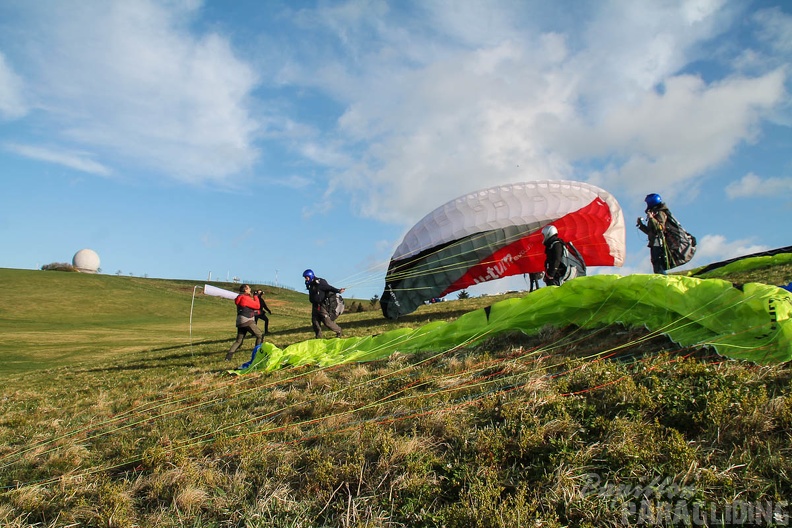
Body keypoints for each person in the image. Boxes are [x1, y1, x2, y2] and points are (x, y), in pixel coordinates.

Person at [225, 284, 264, 361]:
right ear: (245, 290)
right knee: (260, 335)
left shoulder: (239, 297)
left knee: (238, 341)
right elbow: (257, 306)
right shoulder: (245, 298)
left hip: (240, 321)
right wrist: (256, 296)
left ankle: (228, 357)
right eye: (249, 288)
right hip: (247, 320)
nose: (250, 289)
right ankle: (257, 354)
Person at [303, 269, 345, 339]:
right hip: (314, 306)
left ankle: (339, 331)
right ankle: (318, 338)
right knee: (315, 322)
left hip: (322, 305)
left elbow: (329, 287)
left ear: (310, 276)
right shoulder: (310, 284)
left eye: (306, 277)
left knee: (327, 322)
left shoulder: (320, 282)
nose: (306, 279)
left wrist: (338, 290)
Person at [637, 193, 671, 275]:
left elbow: (660, 227)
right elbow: (650, 231)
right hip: (654, 242)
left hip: (658, 242)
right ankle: (659, 277)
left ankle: (663, 279)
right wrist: (641, 225)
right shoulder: (654, 213)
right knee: (655, 262)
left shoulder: (660, 213)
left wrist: (652, 218)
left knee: (658, 262)